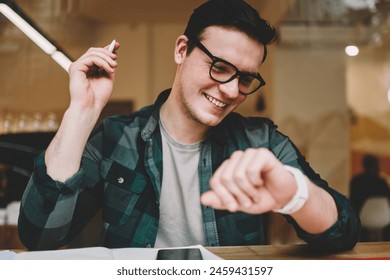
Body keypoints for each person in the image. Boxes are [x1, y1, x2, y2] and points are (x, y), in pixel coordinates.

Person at [18, 0, 360, 252]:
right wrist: (83, 109)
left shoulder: (262, 140)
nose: (230, 90)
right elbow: (41, 236)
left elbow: (342, 232)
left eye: (245, 79)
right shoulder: (115, 138)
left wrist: (294, 194)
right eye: (220, 67)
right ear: (182, 50)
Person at [349, 154, 390, 241]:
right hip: (384, 219)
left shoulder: (356, 181)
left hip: (362, 220)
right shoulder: (382, 182)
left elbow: (353, 202)